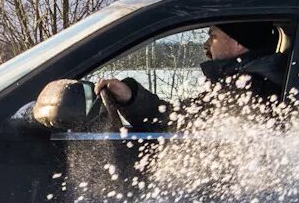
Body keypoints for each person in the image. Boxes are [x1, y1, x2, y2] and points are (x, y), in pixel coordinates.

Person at [94, 21, 285, 131]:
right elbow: (182, 118)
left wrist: (132, 98)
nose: (206, 44)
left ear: (239, 43)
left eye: (213, 36)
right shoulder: (243, 82)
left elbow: (176, 124)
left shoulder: (248, 89)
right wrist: (131, 96)